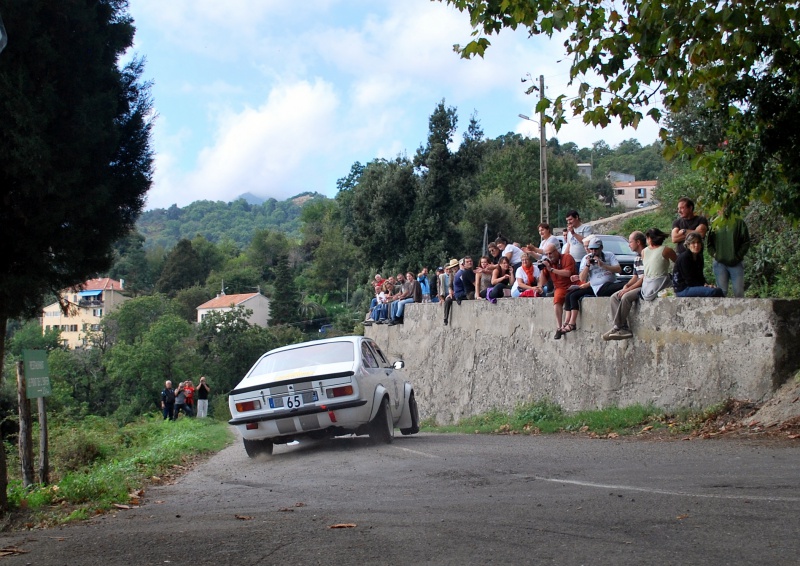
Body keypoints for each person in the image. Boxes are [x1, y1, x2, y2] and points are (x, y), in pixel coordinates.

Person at [559, 237, 622, 337]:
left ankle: (570, 323)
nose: (593, 252)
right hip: (598, 287)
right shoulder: (586, 258)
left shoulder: (609, 255)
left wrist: (603, 265)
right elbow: (582, 278)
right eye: (591, 249)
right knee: (571, 295)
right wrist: (588, 266)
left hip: (610, 283)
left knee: (623, 285)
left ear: (601, 248)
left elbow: (618, 269)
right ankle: (568, 322)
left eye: (596, 249)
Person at [602, 231, 647, 340]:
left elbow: (644, 278)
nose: (629, 244)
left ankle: (617, 327)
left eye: (630, 242)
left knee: (626, 297)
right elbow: (635, 276)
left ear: (638, 242)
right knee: (614, 297)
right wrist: (626, 286)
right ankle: (623, 328)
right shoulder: (636, 258)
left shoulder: (647, 255)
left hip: (646, 286)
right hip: (637, 284)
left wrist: (629, 290)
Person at [538, 243, 576, 338]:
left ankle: (569, 323)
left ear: (556, 251)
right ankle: (559, 327)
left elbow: (568, 273)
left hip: (572, 284)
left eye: (550, 253)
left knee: (570, 297)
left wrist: (551, 269)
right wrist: (543, 269)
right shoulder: (548, 263)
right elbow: (542, 282)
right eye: (547, 254)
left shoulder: (567, 257)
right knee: (557, 300)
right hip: (559, 287)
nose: (549, 256)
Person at [707, 214, 750, 297]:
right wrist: (715, 254)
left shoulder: (739, 222)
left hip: (736, 263)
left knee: (739, 292)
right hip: (719, 263)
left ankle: (740, 310)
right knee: (721, 292)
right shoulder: (715, 223)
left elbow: (746, 242)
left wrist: (738, 256)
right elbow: (709, 243)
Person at [673, 231, 724, 297]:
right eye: (693, 243)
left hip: (693, 286)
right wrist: (704, 286)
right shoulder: (684, 258)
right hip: (683, 288)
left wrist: (706, 284)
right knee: (714, 292)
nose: (696, 245)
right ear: (688, 245)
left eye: (698, 242)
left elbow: (700, 276)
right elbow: (689, 280)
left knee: (717, 289)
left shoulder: (698, 257)